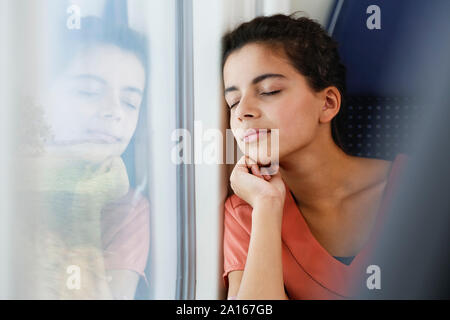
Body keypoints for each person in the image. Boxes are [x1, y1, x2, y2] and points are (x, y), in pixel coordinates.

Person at [221, 14, 408, 299]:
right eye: (233, 101)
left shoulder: (422, 186)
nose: (242, 111)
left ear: (328, 103)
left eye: (269, 91)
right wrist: (268, 207)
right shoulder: (246, 211)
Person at [19, 16, 150, 299]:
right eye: (88, 92)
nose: (113, 111)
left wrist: (82, 202)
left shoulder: (126, 207)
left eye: (129, 102)